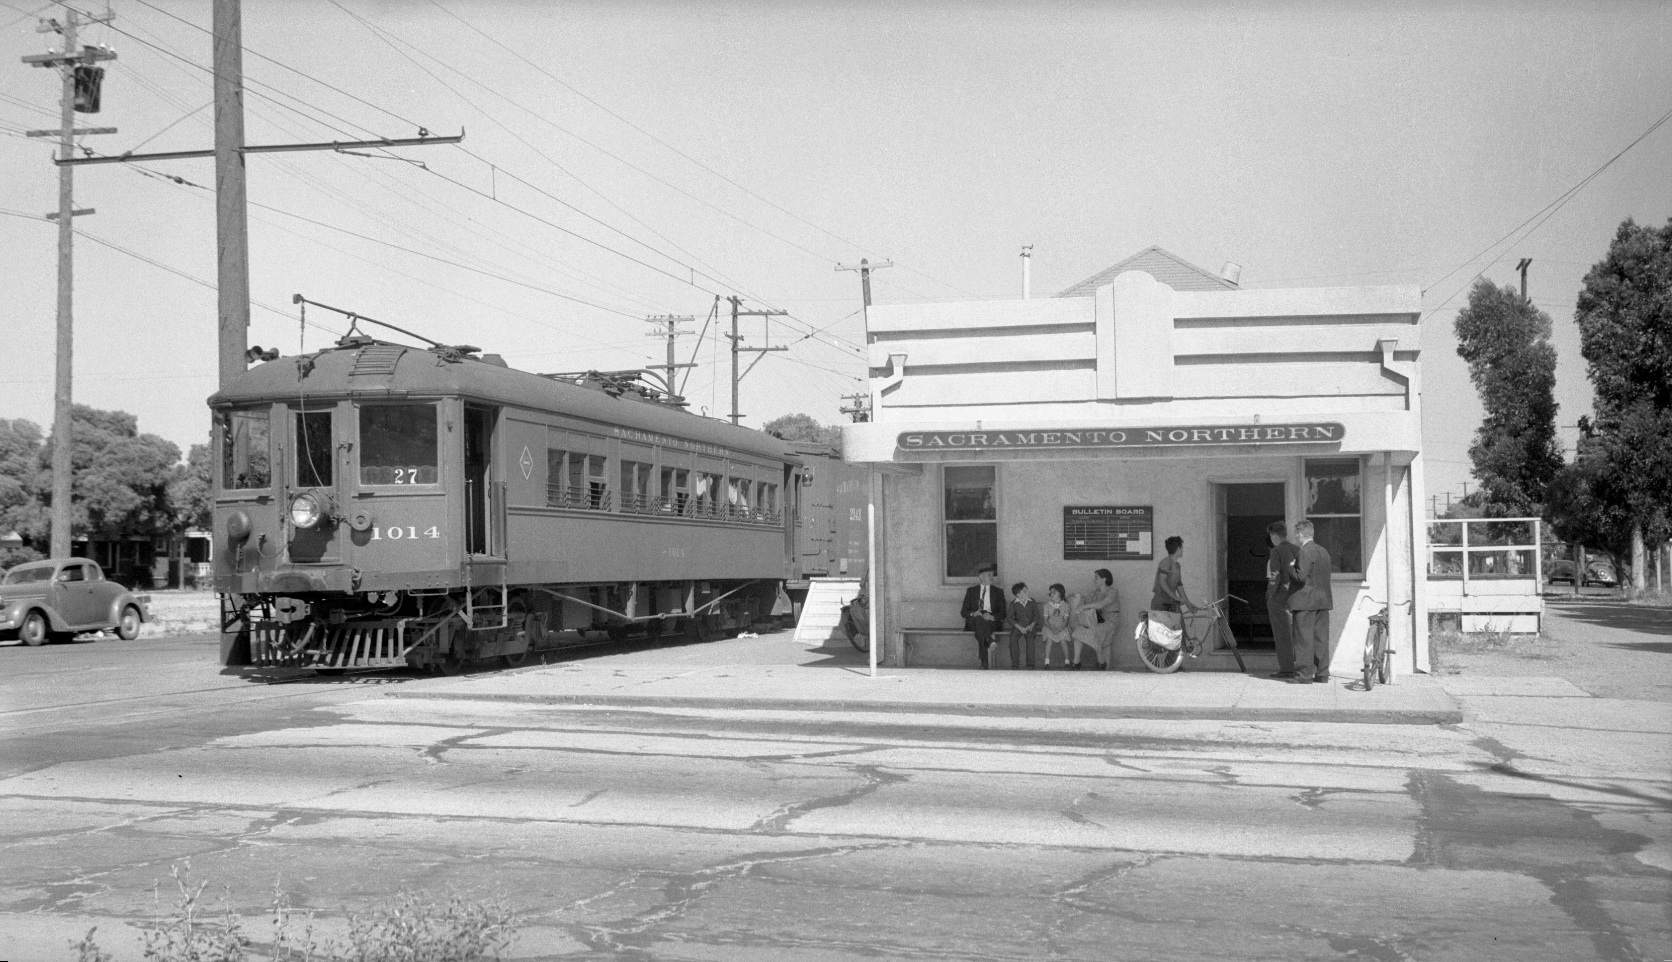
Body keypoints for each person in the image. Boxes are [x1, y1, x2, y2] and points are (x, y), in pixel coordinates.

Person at [1285, 519, 1335, 684]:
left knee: (1303, 639)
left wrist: (1291, 566)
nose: (1296, 537)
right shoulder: (1324, 551)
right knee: (1321, 639)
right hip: (1322, 601)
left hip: (1305, 602)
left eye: (1296, 534)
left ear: (1300, 534)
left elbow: (1300, 576)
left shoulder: (1304, 551)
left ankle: (1304, 676)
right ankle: (1322, 674)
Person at [1264, 522, 1301, 679]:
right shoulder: (1297, 549)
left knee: (1282, 634)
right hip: (1295, 596)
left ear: (1274, 536)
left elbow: (1275, 576)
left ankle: (1286, 668)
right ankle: (1299, 665)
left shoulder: (1276, 551)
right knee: (1296, 633)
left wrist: (1270, 594)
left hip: (1280, 597)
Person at [960, 563, 1005, 669]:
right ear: (981, 576)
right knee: (979, 620)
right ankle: (989, 640)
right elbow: (963, 612)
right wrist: (974, 613)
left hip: (991, 621)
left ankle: (984, 662)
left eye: (992, 575)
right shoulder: (971, 591)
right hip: (974, 620)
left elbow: (1003, 613)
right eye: (989, 574)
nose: (992, 577)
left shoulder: (998, 592)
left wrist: (992, 617)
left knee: (981, 631)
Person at [1076, 569, 1119, 670]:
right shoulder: (1095, 592)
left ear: (1104, 579)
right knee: (1079, 631)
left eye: (1096, 577)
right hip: (1097, 621)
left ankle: (1101, 661)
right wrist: (1078, 600)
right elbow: (1085, 600)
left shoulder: (1112, 591)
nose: (1094, 579)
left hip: (1110, 621)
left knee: (1093, 632)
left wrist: (1086, 606)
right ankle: (1077, 661)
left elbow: (1102, 603)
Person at [1150, 536, 1196, 614]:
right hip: (1161, 603)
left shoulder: (1177, 565)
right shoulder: (1166, 562)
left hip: (1171, 602)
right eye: (1182, 548)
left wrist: (1188, 604)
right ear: (1178, 549)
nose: (1183, 550)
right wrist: (1176, 597)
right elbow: (1162, 582)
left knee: (1178, 624)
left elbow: (1179, 586)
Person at [1007, 582, 1040, 670]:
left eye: (1026, 591)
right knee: (1013, 640)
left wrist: (1032, 625)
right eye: (1024, 592)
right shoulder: (1013, 603)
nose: (1026, 593)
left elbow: (1037, 615)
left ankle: (1030, 664)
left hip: (1030, 626)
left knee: (1030, 640)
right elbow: (1010, 618)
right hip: (1018, 626)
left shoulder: (1032, 602)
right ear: (1018, 594)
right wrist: (1020, 627)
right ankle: (1015, 664)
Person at [1041, 583, 1072, 668]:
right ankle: (1047, 662)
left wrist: (1061, 628)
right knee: (1049, 640)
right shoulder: (1047, 605)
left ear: (1060, 593)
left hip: (1062, 626)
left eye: (1054, 592)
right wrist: (1051, 628)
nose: (1052, 594)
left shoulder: (1065, 605)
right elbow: (1045, 619)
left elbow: (1066, 620)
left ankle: (1067, 661)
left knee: (1063, 640)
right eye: (1051, 592)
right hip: (1049, 626)